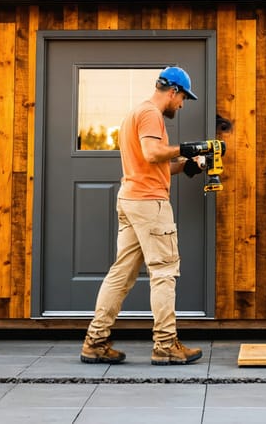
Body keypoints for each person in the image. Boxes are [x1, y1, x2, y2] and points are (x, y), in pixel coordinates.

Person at [80, 66, 210, 366]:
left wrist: (188, 164)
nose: (182, 105)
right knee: (164, 272)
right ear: (173, 91)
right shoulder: (151, 113)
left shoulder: (134, 114)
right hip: (150, 205)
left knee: (121, 273)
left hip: (131, 200)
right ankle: (165, 345)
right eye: (183, 99)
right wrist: (191, 147)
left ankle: (95, 341)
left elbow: (152, 163)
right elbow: (153, 153)